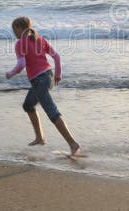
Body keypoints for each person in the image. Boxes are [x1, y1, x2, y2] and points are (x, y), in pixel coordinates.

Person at [5, 16, 81, 156]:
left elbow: (21, 65)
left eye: (14, 29)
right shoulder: (40, 39)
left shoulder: (20, 43)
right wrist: (58, 75)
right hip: (49, 77)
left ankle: (72, 143)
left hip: (39, 81)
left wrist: (10, 73)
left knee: (52, 112)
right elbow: (56, 56)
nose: (13, 32)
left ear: (20, 28)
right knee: (28, 105)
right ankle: (40, 138)